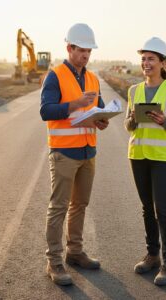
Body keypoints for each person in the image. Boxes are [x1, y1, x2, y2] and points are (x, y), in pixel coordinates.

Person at [40, 23, 109, 286]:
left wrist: (103, 119)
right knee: (58, 208)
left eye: (89, 51)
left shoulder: (92, 78)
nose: (86, 56)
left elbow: (99, 108)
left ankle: (75, 253)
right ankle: (54, 263)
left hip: (88, 151)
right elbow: (46, 111)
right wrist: (75, 105)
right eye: (82, 51)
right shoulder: (55, 76)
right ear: (69, 48)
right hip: (64, 154)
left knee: (80, 205)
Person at [124, 37, 166, 286]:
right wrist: (134, 120)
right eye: (143, 59)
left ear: (162, 62)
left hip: (163, 158)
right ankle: (152, 255)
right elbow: (128, 125)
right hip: (138, 156)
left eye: (151, 59)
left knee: (163, 209)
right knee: (147, 209)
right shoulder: (133, 91)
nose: (146, 63)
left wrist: (165, 122)